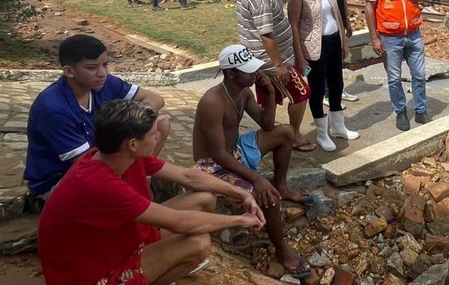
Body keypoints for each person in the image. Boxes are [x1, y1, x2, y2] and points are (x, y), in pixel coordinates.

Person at [38, 99, 266, 285]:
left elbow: (188, 176)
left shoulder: (119, 155)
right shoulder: (100, 184)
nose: (159, 136)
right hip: (89, 272)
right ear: (132, 144)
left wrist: (240, 193)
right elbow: (181, 223)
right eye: (153, 133)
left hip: (111, 240)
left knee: (204, 197)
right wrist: (239, 220)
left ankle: (151, 267)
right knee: (198, 244)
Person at [192, 45, 312, 277]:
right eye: (248, 72)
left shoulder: (244, 92)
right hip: (212, 166)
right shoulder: (212, 102)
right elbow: (218, 155)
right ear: (231, 74)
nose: (255, 74)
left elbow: (267, 125)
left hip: (234, 151)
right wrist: (256, 179)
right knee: (268, 198)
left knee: (286, 132)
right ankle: (282, 250)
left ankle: (282, 185)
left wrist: (272, 93)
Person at [24, 34, 168, 200]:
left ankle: (137, 179)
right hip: (61, 179)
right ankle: (132, 185)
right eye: (92, 67)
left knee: (161, 123)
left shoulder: (104, 83)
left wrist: (134, 125)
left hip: (101, 159)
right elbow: (86, 164)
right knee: (133, 148)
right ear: (69, 71)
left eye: (105, 65)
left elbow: (155, 99)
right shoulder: (53, 108)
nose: (102, 73)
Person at [236, 0, 314, 151]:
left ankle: (271, 133)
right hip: (272, 60)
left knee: (268, 97)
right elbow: (267, 36)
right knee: (301, 93)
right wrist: (279, 65)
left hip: (259, 57)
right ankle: (293, 135)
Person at [288, 0, 356, 151]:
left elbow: (336, 12)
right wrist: (299, 57)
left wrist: (344, 39)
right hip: (313, 46)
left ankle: (338, 127)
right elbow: (294, 25)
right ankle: (322, 133)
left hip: (334, 40)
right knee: (317, 89)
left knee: (337, 83)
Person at [365, 0, 432, 131]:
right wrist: (374, 38)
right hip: (389, 37)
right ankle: (401, 111)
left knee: (419, 75)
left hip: (413, 34)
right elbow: (369, 7)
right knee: (394, 78)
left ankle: (420, 110)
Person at [320, 0, 357, 106]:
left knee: (338, 59)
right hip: (324, 26)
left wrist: (347, 21)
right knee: (325, 61)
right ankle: (326, 94)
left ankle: (338, 91)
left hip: (338, 22)